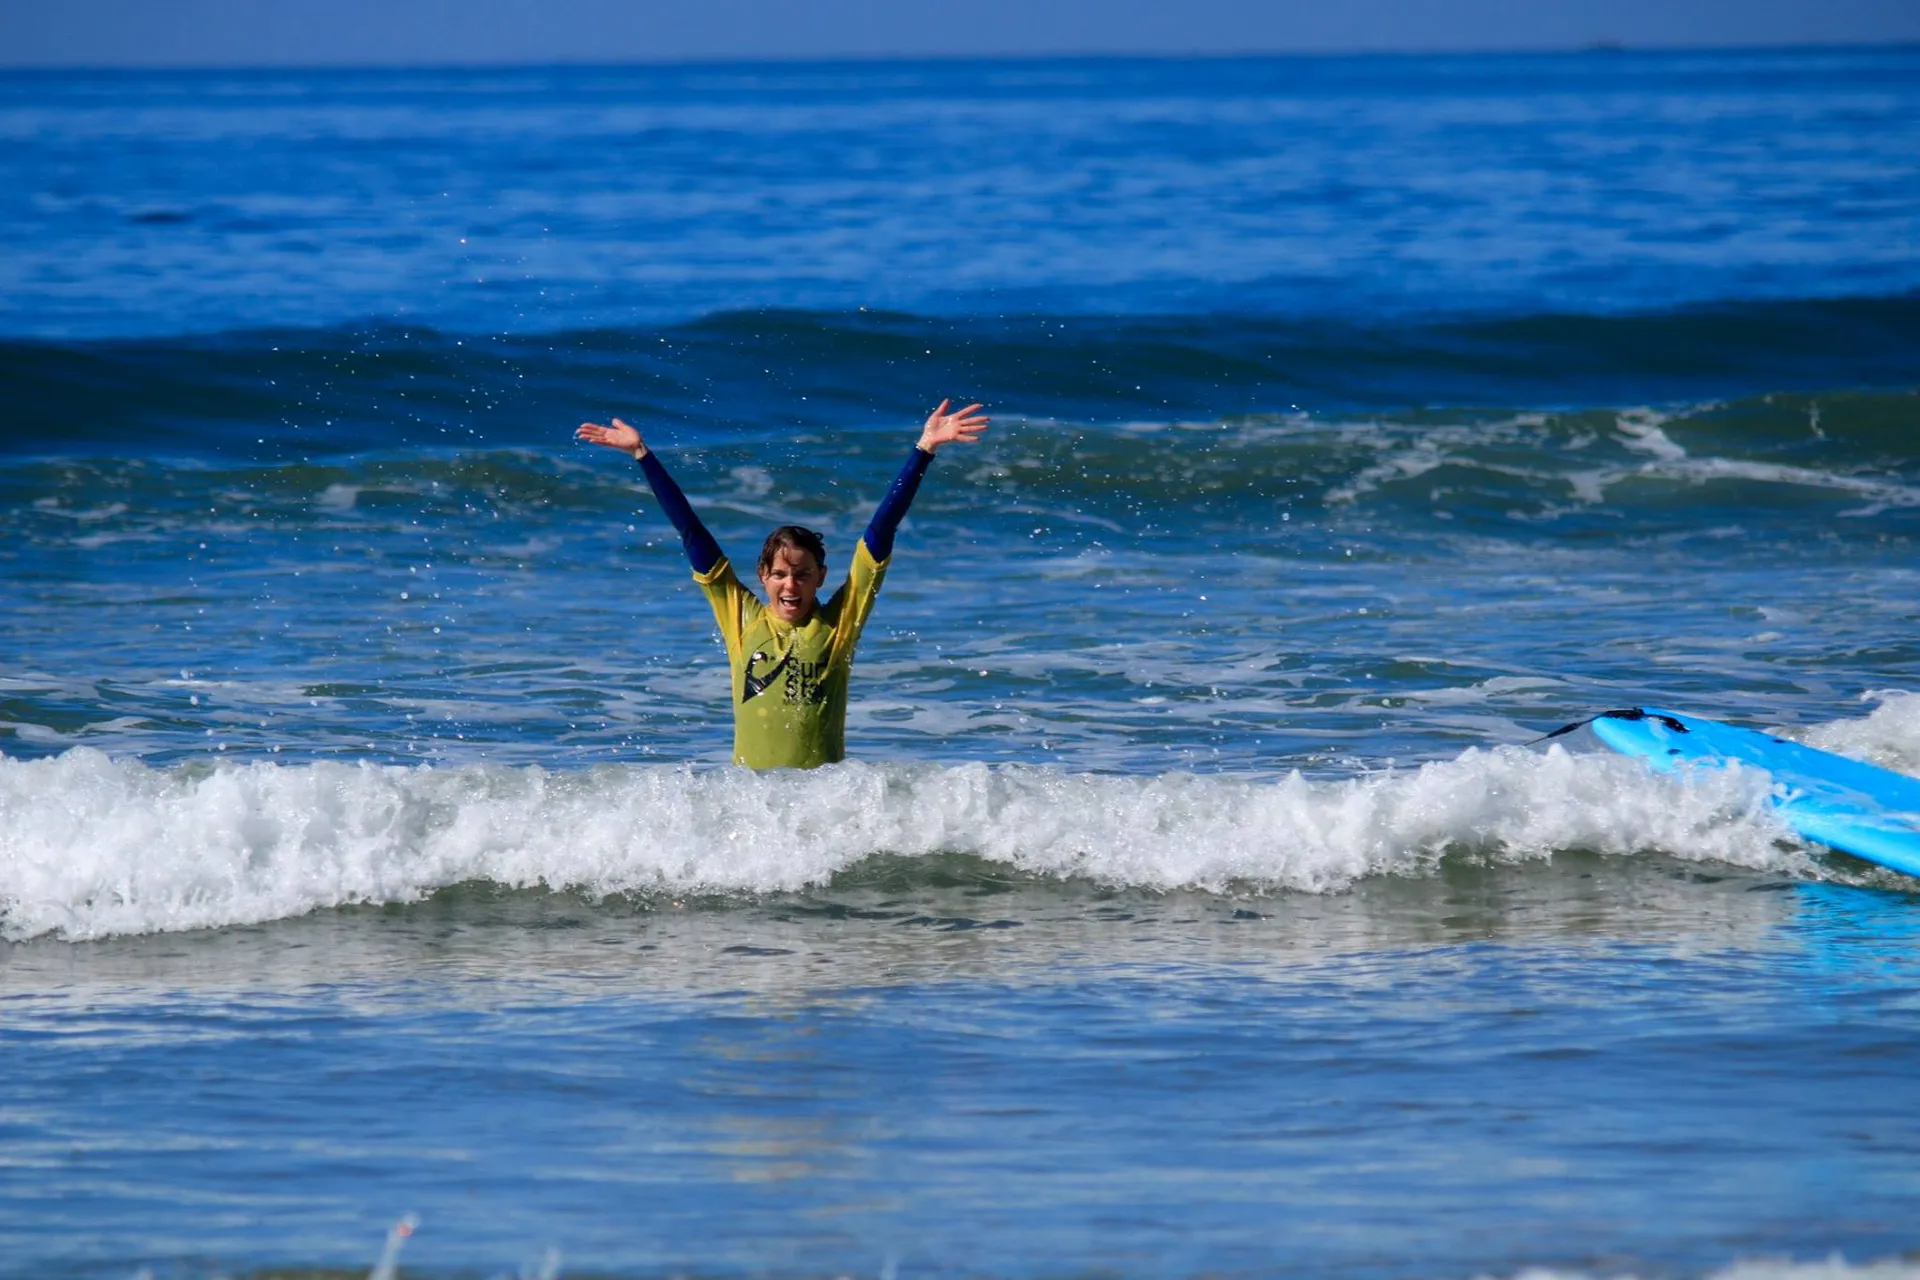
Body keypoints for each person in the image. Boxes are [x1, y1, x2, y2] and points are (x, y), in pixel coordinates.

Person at [575, 401, 989, 769]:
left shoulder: (838, 625)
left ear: (820, 578)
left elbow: (881, 532)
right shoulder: (742, 619)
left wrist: (924, 451)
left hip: (822, 809)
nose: (790, 584)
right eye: (779, 574)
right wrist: (642, 455)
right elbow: (691, 533)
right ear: (763, 577)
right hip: (752, 811)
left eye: (803, 574)